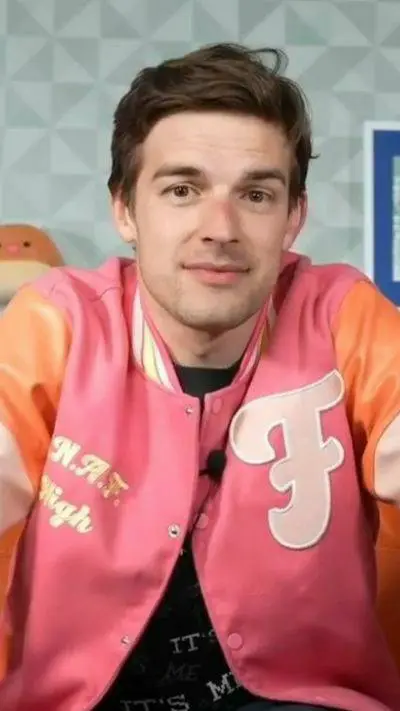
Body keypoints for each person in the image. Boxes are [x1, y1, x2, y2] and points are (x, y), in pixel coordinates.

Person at [0, 41, 399, 711]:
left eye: (256, 194)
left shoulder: (341, 313)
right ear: (125, 209)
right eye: (182, 190)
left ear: (294, 217)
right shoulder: (59, 320)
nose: (221, 228)